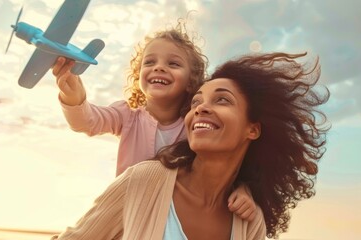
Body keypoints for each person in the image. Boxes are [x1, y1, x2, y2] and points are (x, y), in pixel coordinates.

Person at [50, 52, 330, 239]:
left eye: (222, 100)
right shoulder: (144, 180)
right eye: (196, 102)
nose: (201, 109)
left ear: (253, 129)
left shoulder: (249, 220)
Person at [52, 21, 256, 219]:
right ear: (138, 74)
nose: (159, 68)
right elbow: (87, 121)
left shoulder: (195, 128)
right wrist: (73, 96)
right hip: (127, 217)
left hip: (173, 222)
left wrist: (241, 189)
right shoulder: (126, 115)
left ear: (191, 81)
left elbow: (220, 166)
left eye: (173, 63)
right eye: (149, 62)